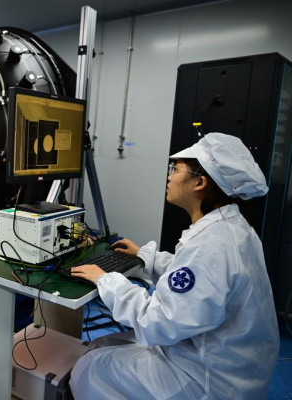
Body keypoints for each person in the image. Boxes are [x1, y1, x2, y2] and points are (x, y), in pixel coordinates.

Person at [69, 132, 279, 399]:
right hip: (228, 363)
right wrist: (148, 257)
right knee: (103, 343)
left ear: (199, 182)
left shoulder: (211, 245)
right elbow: (198, 279)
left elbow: (157, 323)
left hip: (208, 380)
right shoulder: (231, 226)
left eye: (175, 169)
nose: (169, 177)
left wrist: (106, 280)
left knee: (90, 367)